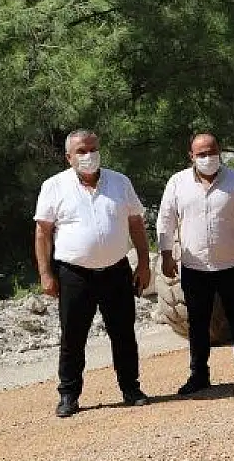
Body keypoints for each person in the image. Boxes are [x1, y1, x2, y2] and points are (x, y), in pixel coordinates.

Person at [34, 129, 151, 418]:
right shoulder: (54, 186)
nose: (89, 156)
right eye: (81, 152)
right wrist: (46, 273)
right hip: (74, 274)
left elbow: (136, 224)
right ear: (68, 157)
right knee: (73, 336)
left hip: (116, 270)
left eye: (93, 149)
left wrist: (145, 264)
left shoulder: (120, 182)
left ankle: (131, 388)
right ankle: (69, 395)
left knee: (123, 333)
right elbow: (43, 232)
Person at [156, 132, 234, 395]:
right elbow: (166, 220)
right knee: (198, 323)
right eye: (201, 154)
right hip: (194, 268)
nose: (207, 158)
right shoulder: (177, 183)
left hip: (232, 266)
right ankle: (199, 375)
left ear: (220, 151)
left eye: (212, 152)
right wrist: (167, 254)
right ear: (191, 156)